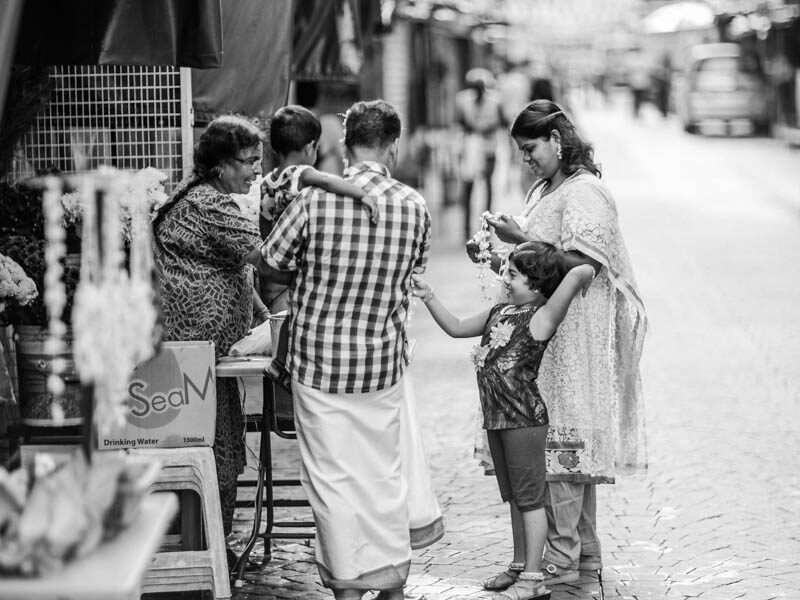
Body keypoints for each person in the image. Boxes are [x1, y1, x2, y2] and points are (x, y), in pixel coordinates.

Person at [254, 99, 438, 600]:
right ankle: (391, 583)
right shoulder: (414, 206)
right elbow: (413, 274)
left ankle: (349, 588)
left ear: (342, 143)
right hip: (382, 365)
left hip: (318, 364)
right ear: (393, 146)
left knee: (333, 482)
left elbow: (271, 262)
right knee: (381, 475)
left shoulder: (313, 201)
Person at [467, 99, 647, 587]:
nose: (526, 159)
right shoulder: (548, 187)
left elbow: (582, 267)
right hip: (542, 340)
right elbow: (536, 267)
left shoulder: (586, 192)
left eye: (531, 149)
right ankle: (579, 555)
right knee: (552, 450)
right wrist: (501, 252)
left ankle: (561, 561)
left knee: (560, 448)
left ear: (558, 140)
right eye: (521, 151)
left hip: (567, 339)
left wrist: (519, 234)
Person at [412, 243, 596, 600]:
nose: (504, 278)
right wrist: (428, 294)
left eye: (512, 273)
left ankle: (533, 577)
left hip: (524, 420)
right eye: (505, 272)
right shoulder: (499, 311)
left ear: (539, 284)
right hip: (497, 418)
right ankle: (518, 566)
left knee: (530, 499)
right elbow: (455, 326)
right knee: (515, 497)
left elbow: (578, 272)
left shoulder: (542, 317)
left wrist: (576, 265)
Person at [153, 115, 266, 554]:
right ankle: (206, 548)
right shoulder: (210, 204)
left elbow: (237, 271)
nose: (256, 170)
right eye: (248, 162)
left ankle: (213, 542)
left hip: (203, 355)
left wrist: (260, 312)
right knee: (210, 449)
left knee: (220, 443)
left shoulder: (198, 195)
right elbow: (264, 258)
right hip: (195, 356)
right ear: (221, 165)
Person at [261, 104, 380, 392]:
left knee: (285, 318)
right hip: (298, 261)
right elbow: (326, 180)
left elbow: (265, 230)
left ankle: (279, 363)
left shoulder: (267, 182)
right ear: (310, 147)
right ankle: (286, 369)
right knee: (299, 314)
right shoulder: (300, 173)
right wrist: (361, 194)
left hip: (275, 262)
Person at [455, 68, 505, 241]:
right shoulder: (462, 100)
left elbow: (502, 122)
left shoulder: (495, 100)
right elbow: (459, 122)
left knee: (488, 188)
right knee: (468, 187)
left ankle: (487, 227)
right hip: (470, 149)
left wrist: (485, 128)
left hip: (489, 148)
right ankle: (465, 229)